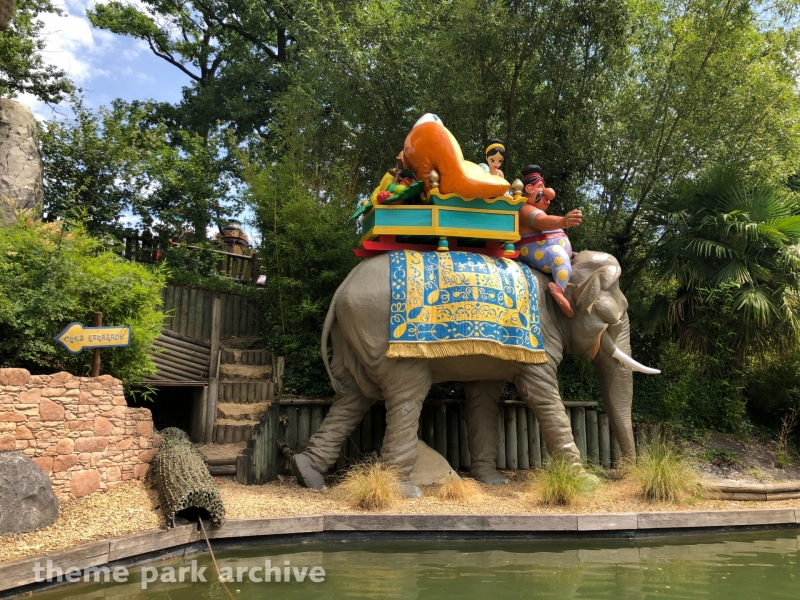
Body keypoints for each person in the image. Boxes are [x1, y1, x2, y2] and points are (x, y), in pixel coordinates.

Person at [516, 165, 582, 318]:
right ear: (529, 188)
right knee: (557, 254)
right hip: (535, 250)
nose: (547, 192)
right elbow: (541, 221)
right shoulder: (525, 209)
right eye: (541, 186)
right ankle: (558, 288)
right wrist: (563, 221)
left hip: (546, 248)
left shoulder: (533, 208)